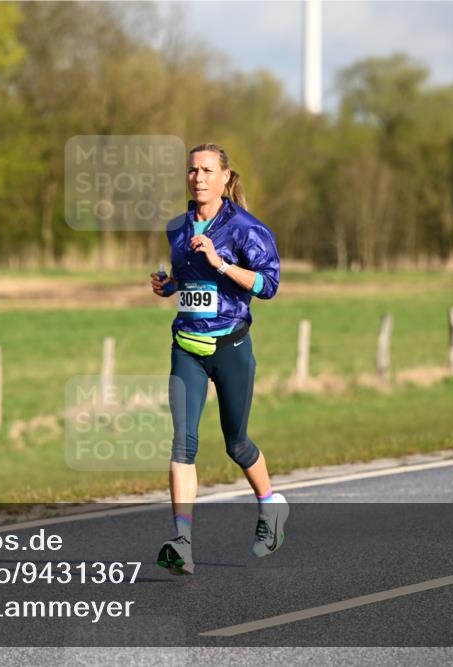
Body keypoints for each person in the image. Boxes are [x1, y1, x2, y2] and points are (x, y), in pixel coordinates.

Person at [150, 143, 287, 575]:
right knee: (183, 443)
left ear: (225, 177)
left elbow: (268, 286)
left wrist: (221, 263)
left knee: (236, 444)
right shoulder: (177, 227)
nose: (199, 178)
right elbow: (189, 278)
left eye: (208, 170)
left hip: (231, 347)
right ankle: (182, 543)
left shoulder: (247, 229)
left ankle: (271, 506)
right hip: (187, 347)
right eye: (193, 170)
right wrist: (170, 286)